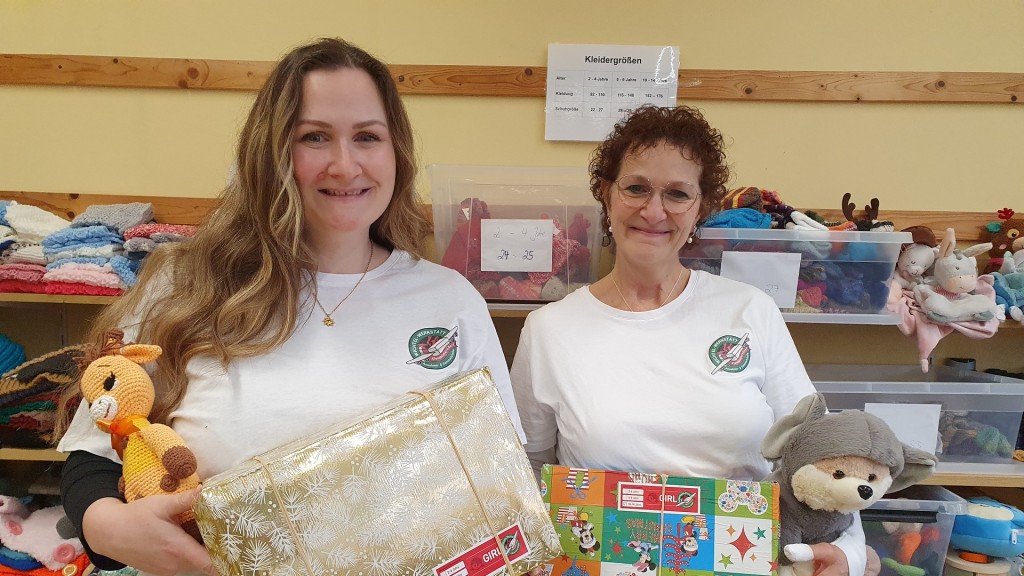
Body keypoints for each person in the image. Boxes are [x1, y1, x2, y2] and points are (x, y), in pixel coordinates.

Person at [55, 37, 525, 576]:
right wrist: (106, 527)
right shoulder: (184, 285)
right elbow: (93, 456)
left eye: (367, 137)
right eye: (315, 137)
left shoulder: (449, 300)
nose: (345, 165)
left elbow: (497, 480)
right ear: (272, 151)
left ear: (396, 153)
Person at [509, 104, 866, 576]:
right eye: (636, 187)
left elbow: (819, 455)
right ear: (605, 193)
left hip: (745, 562)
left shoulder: (749, 311)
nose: (653, 211)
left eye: (677, 194)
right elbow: (525, 473)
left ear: (700, 208)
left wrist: (852, 555)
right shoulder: (550, 330)